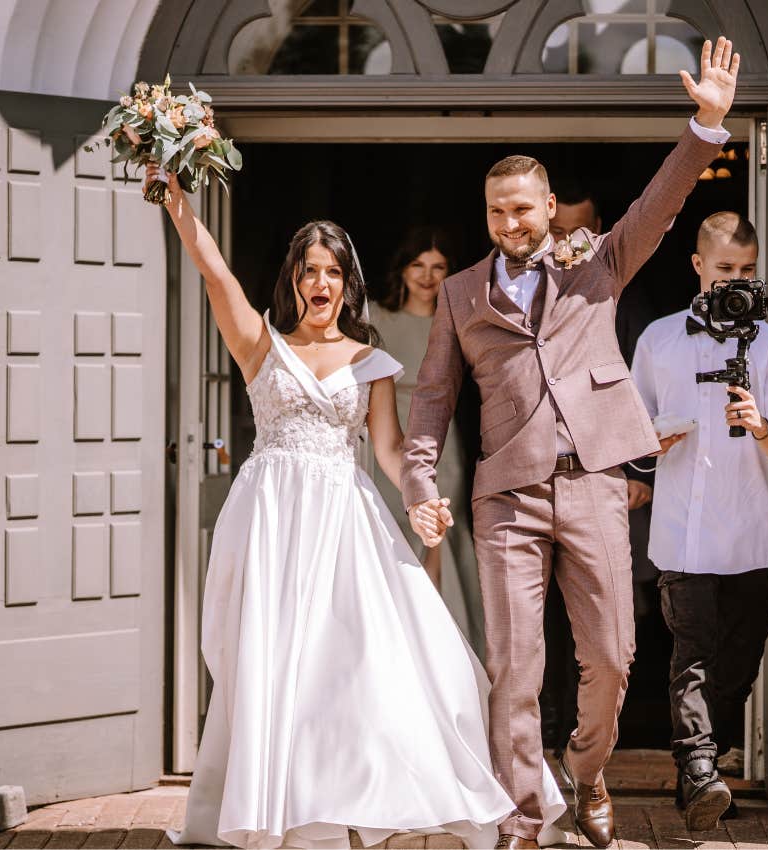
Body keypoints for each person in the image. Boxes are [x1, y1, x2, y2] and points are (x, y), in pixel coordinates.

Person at [145, 166, 567, 849]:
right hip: (273, 521)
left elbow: (394, 451)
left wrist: (423, 498)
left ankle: (357, 796)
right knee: (277, 661)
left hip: (344, 519)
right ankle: (282, 807)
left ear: (348, 283)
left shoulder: (370, 361)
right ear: (294, 280)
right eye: (310, 270)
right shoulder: (260, 345)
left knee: (361, 659)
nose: (321, 283)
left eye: (333, 271)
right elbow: (213, 269)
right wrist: (174, 198)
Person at [401, 38, 741, 850]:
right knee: (515, 670)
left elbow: (662, 202)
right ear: (487, 218)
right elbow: (433, 398)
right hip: (508, 499)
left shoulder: (599, 264)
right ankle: (522, 817)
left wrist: (707, 125)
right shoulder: (459, 294)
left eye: (523, 207)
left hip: (594, 483)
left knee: (615, 658)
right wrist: (420, 484)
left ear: (550, 208)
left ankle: (585, 772)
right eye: (497, 211)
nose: (511, 222)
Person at [630, 212, 768, 830]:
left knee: (738, 661)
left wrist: (761, 423)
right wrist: (652, 446)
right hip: (683, 530)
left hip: (754, 530)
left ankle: (697, 775)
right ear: (698, 266)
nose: (736, 279)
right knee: (692, 656)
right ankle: (702, 767)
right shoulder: (658, 340)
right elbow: (635, 432)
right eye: (726, 269)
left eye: (747, 271)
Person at [540, 187, 658, 753]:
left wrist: (640, 474)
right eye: (556, 231)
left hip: (613, 482)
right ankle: (549, 727)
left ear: (601, 230)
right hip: (538, 484)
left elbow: (642, 390)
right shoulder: (522, 293)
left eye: (577, 231)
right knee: (547, 620)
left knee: (613, 626)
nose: (565, 243)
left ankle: (605, 742)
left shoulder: (626, 300)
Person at [369, 227, 485, 657]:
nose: (427, 276)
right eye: (418, 265)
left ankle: (439, 647)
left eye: (438, 267)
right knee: (387, 537)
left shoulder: (455, 320)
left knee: (437, 536)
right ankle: (394, 644)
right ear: (401, 269)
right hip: (382, 438)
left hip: (440, 443)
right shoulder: (374, 319)